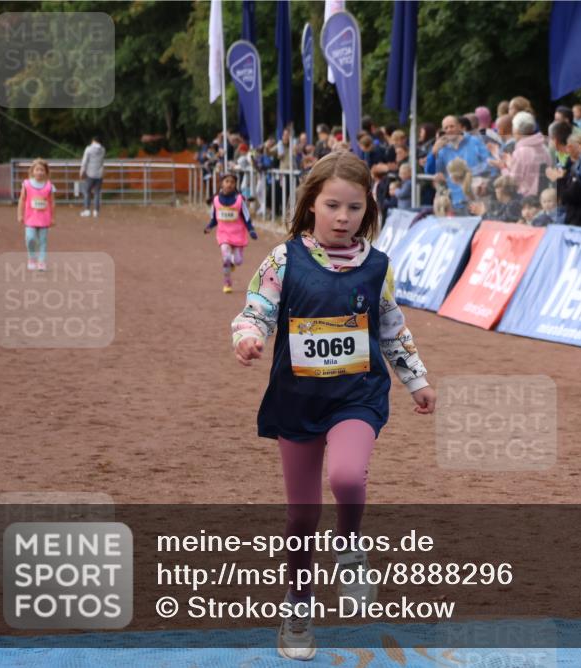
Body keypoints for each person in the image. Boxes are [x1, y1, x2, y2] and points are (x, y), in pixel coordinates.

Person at [231, 152, 435, 660]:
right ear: (311, 204)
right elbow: (255, 309)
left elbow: (392, 328)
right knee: (302, 515)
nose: (343, 217)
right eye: (333, 206)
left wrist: (416, 380)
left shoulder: (377, 266)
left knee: (346, 477)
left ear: (368, 210)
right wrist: (249, 336)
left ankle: (349, 547)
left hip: (356, 397)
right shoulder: (283, 259)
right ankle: (297, 610)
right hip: (297, 401)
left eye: (354, 207)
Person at [205, 173, 257, 294]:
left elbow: (246, 217)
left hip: (238, 234)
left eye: (232, 182)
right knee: (226, 257)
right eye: (227, 181)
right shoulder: (216, 200)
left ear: (235, 185)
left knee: (238, 261)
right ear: (222, 183)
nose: (229, 184)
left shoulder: (240, 200)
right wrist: (209, 227)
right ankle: (227, 282)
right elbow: (214, 218)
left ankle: (233, 262)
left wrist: (251, 230)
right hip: (223, 234)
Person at [424, 115, 489, 205]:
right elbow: (429, 171)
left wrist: (469, 173)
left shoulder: (474, 141)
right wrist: (433, 152)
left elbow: (488, 162)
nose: (449, 130)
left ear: (459, 127)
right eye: (446, 128)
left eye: (452, 126)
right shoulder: (443, 149)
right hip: (454, 200)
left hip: (475, 197)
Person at [497, 111, 550, 198]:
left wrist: (503, 167)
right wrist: (511, 164)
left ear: (517, 130)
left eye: (513, 127)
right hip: (543, 197)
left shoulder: (520, 152)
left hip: (526, 200)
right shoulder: (544, 148)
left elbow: (512, 181)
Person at [17, 158, 55, 271]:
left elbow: (52, 202)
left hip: (44, 218)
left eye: (42, 170)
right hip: (30, 218)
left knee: (43, 240)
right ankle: (32, 258)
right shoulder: (27, 184)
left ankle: (41, 262)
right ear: (32, 171)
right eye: (37, 169)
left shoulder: (49, 186)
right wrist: (20, 214)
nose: (39, 172)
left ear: (46, 172)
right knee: (30, 238)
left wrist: (53, 218)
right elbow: (22, 200)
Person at [548, 129, 581, 227]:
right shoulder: (569, 164)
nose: (567, 149)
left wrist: (559, 179)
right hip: (570, 214)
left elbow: (570, 195)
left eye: (570, 146)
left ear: (579, 146)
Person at [79, 136, 105, 218]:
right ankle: (96, 212)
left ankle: (87, 210)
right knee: (97, 192)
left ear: (93, 141)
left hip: (90, 174)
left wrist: (82, 171)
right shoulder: (103, 150)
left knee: (86, 191)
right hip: (99, 174)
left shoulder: (88, 149)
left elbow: (84, 161)